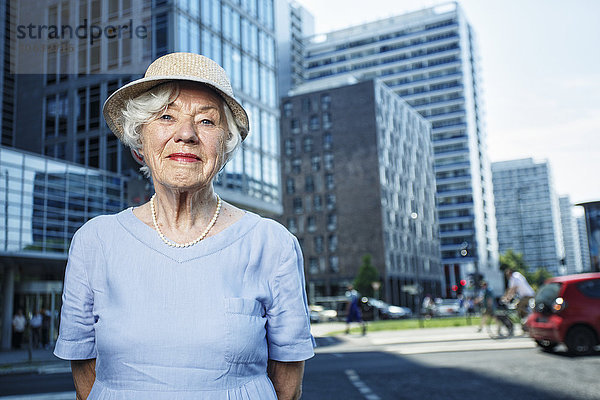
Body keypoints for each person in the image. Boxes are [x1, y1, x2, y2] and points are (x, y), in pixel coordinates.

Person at [53, 53, 314, 400]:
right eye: (166, 116)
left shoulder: (271, 243)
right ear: (139, 144)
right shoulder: (95, 241)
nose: (187, 134)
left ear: (224, 147)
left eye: (207, 122)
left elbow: (287, 381)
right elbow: (84, 373)